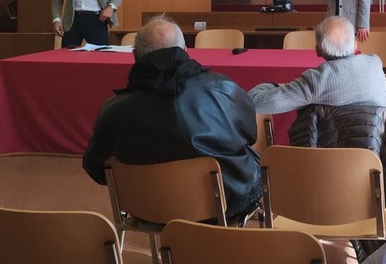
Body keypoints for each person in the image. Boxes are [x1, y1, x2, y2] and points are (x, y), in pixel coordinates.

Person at [82, 16, 262, 223]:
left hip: (147, 209)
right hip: (224, 202)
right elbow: (250, 134)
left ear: (135, 56)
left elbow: (96, 168)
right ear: (185, 51)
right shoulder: (223, 88)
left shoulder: (112, 109)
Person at [246, 16, 386, 114]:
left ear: (317, 51)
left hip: (335, 152)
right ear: (355, 45)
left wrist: (275, 85)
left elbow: (253, 102)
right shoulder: (375, 62)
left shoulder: (317, 82)